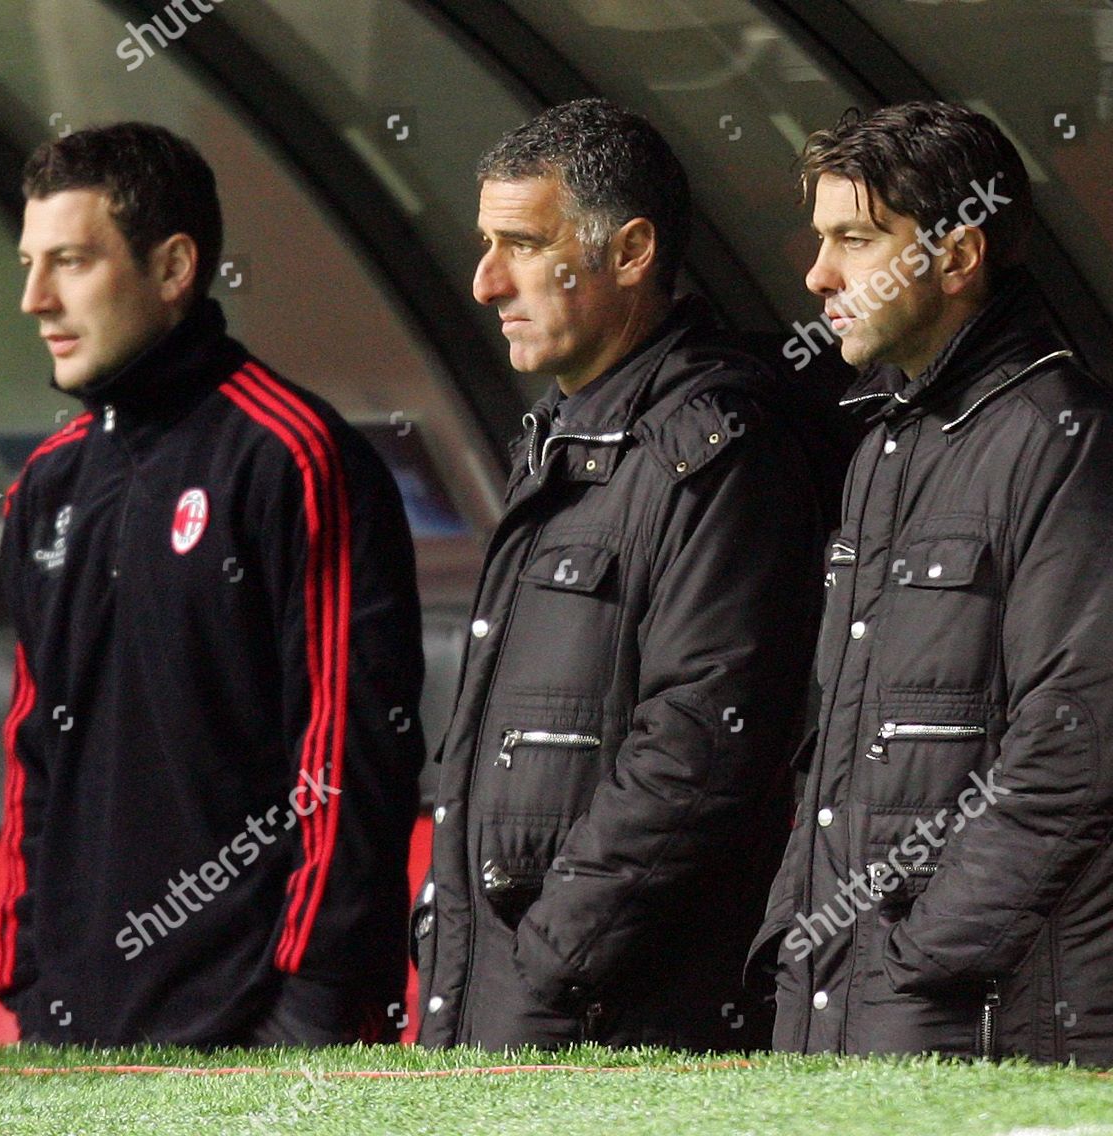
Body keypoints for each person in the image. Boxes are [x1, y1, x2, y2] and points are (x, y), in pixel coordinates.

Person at [751, 101, 1113, 1066]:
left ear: (955, 258)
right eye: (819, 241)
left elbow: (1078, 751)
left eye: (856, 240)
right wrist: (803, 936)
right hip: (856, 1007)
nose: (818, 277)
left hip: (996, 1023)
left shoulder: (1074, 443)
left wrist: (918, 961)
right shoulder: (885, 447)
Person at [0, 122, 425, 1046]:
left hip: (254, 1030)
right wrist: (26, 985)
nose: (34, 298)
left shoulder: (293, 458)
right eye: (30, 263)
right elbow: (33, 756)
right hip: (73, 1034)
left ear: (174, 267)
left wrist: (310, 1008)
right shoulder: (46, 488)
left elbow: (348, 753)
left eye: (69, 261)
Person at [415, 98, 828, 1051]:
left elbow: (696, 752)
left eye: (520, 245)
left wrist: (545, 970)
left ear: (632, 252)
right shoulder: (560, 439)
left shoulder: (719, 452)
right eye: (485, 244)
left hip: (619, 1026)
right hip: (506, 1002)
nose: (484, 284)